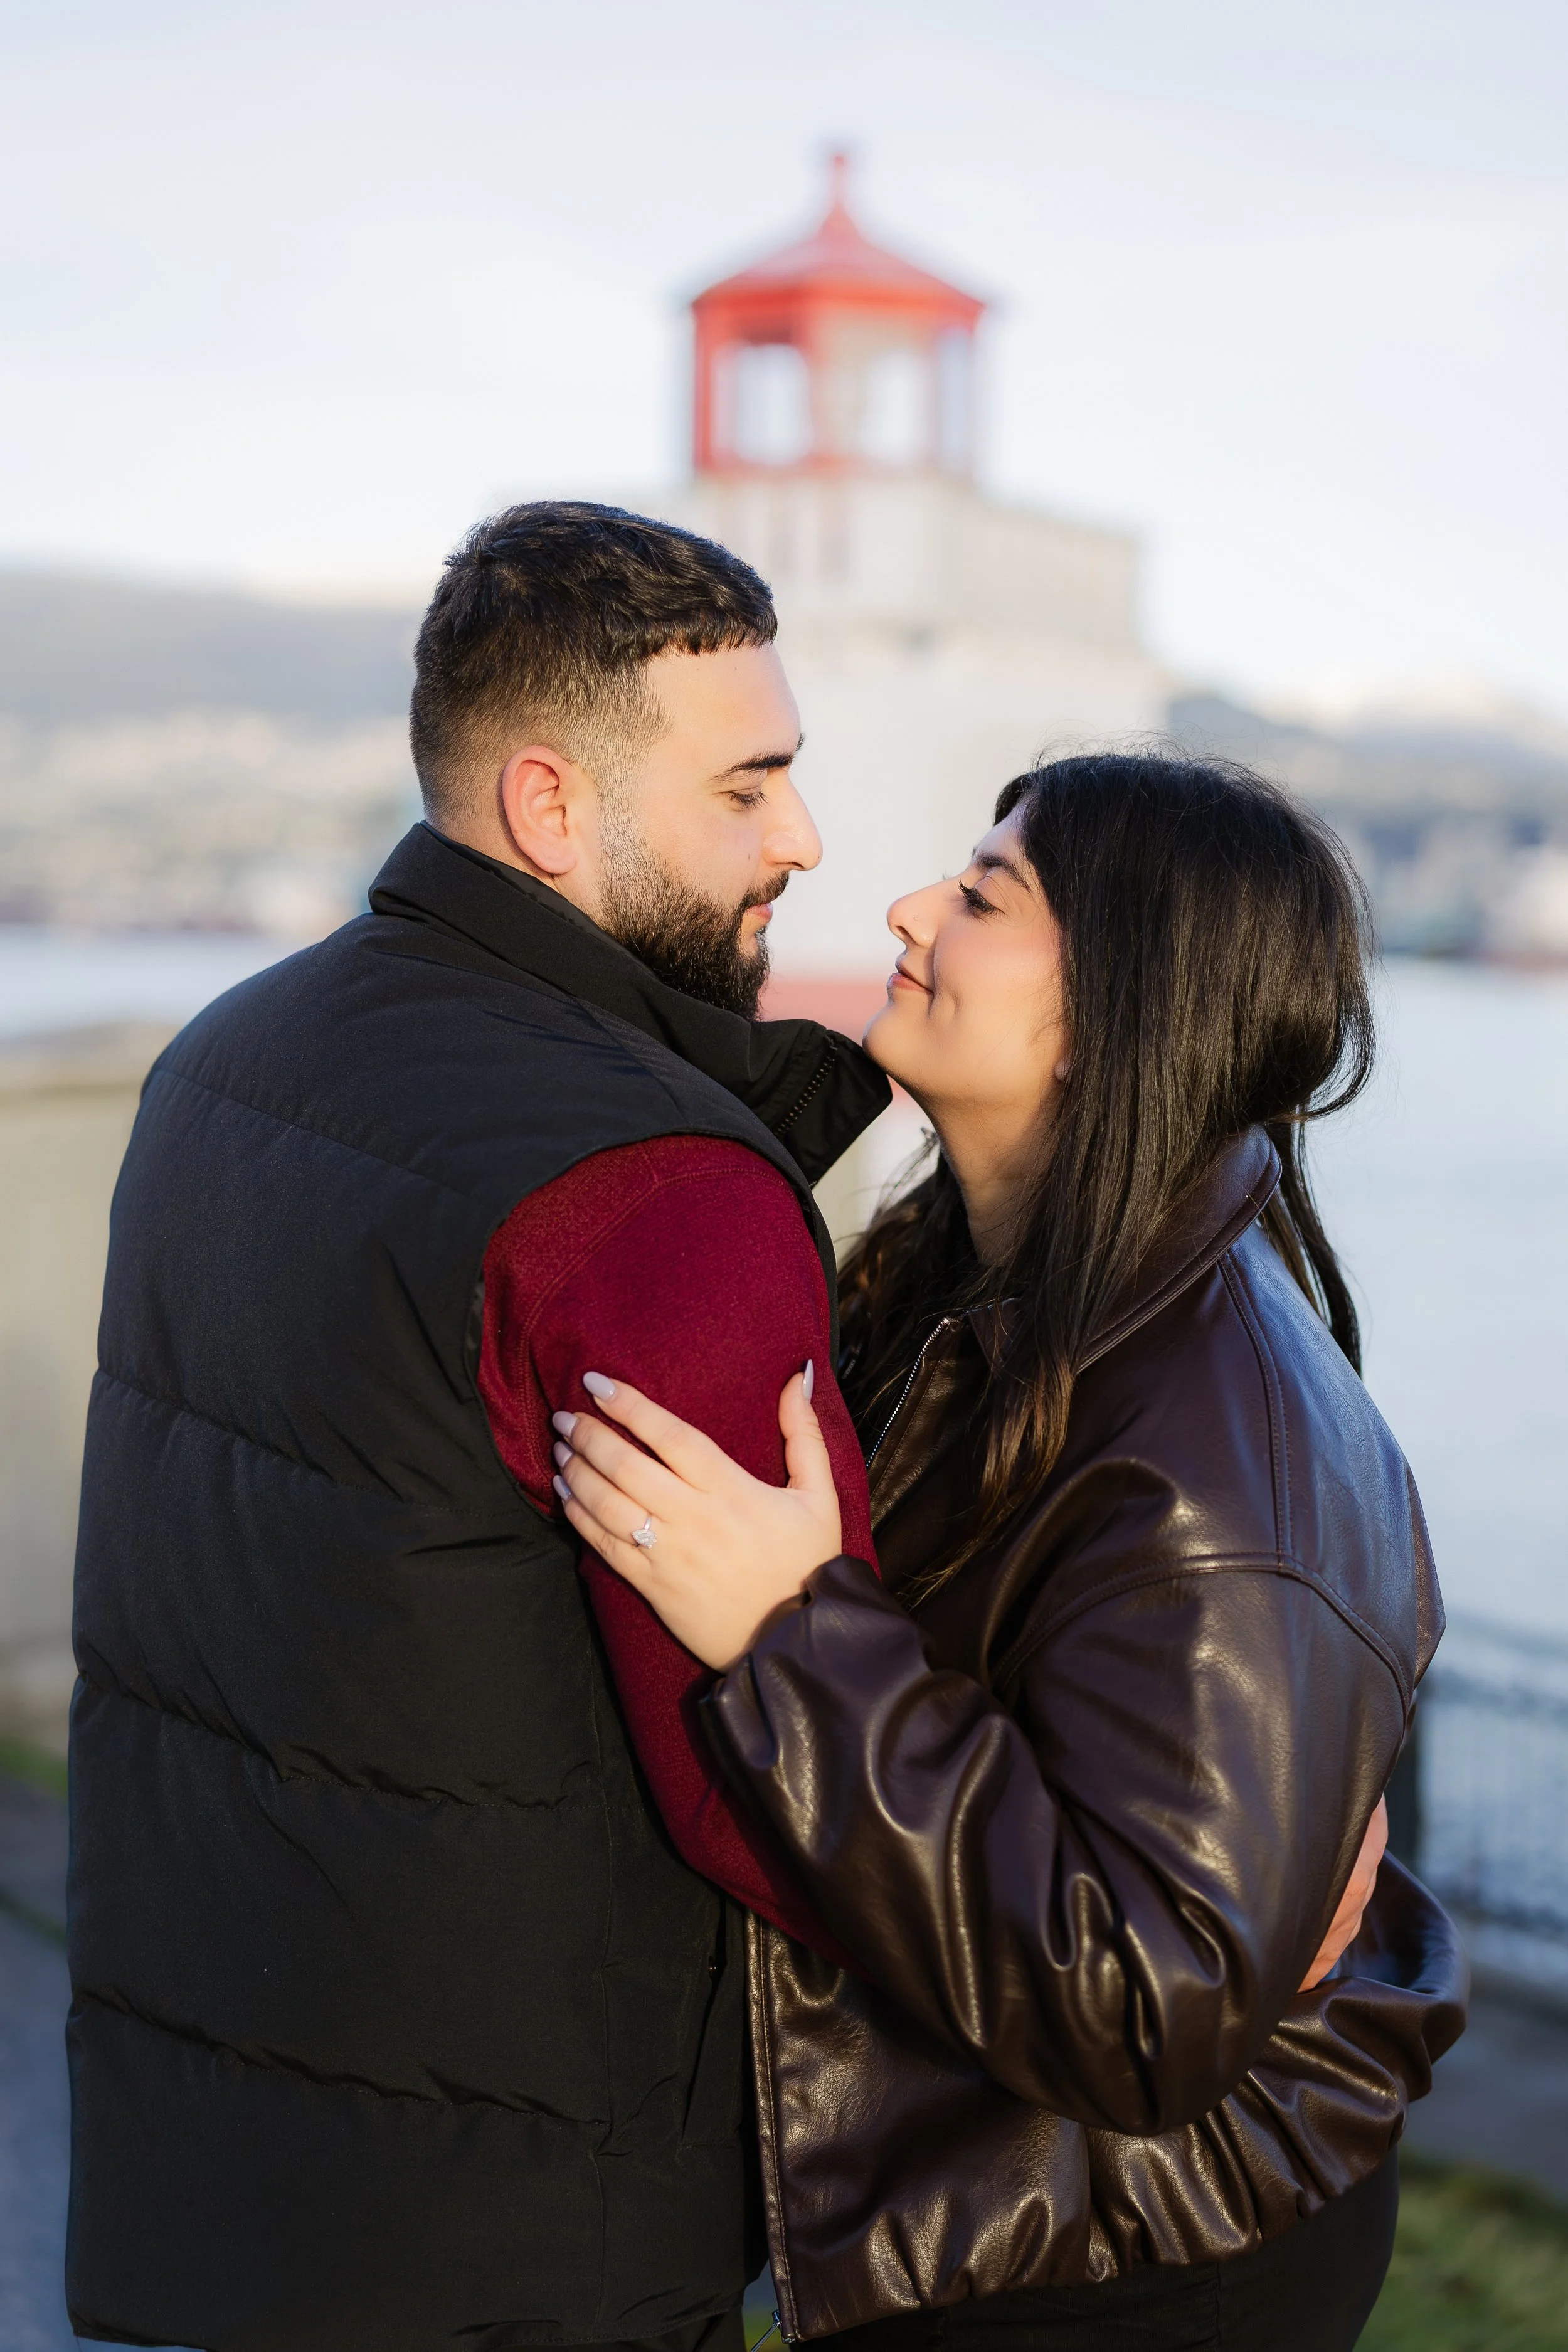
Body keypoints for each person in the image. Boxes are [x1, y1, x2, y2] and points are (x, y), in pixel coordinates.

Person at [65, 502, 894, 2352]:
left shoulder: (228, 1054)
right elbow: (779, 1809)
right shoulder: (653, 1187)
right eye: (748, 786)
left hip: (238, 2164)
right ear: (547, 805)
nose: (804, 840)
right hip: (535, 2221)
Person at [550, 753, 1470, 2352]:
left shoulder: (1212, 1463)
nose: (906, 911)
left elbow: (1136, 2005)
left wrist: (792, 1631)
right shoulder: (999, 1292)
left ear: (1131, 997)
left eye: (983, 896)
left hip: (1131, 2265)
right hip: (1032, 2217)